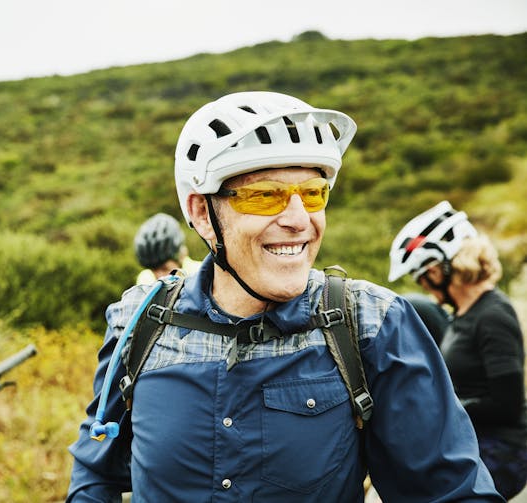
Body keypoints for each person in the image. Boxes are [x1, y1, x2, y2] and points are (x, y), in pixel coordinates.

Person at [67, 91, 502, 502]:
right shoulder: (140, 319)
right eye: (266, 196)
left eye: (313, 193)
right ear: (202, 213)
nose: (299, 219)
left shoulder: (371, 324)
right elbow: (95, 468)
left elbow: (453, 492)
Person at [389, 200, 527, 499]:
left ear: (443, 268)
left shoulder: (493, 314)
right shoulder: (464, 314)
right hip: (474, 440)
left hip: (502, 449)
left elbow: (508, 403)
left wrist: (440, 407)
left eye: (423, 277)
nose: (425, 287)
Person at [133, 212, 201, 285]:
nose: (159, 277)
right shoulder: (146, 280)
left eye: (164, 269)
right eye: (153, 270)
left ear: (181, 255)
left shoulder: (202, 274)